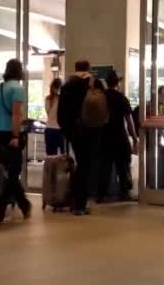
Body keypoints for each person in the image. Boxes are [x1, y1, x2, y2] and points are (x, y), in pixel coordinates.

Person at [57, 59, 104, 216]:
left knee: (80, 163)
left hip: (72, 131)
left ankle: (75, 200)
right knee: (86, 165)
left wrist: (67, 130)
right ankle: (80, 204)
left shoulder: (66, 85)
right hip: (90, 130)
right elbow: (102, 106)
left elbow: (61, 113)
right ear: (88, 68)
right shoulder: (93, 82)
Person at [0, 59, 32, 221]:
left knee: (4, 172)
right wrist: (16, 135)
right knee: (14, 172)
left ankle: (6, 208)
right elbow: (16, 114)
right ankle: (12, 206)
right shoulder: (18, 89)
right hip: (11, 134)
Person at [97, 70, 138, 202]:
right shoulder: (121, 98)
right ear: (118, 83)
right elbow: (129, 120)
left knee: (104, 167)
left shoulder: (101, 96)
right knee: (123, 165)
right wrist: (134, 137)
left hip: (103, 136)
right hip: (119, 136)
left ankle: (100, 195)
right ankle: (124, 193)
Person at [44, 78, 64, 156]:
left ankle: (50, 168)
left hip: (49, 129)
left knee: (51, 156)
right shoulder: (62, 99)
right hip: (60, 130)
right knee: (63, 156)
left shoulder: (48, 99)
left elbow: (48, 113)